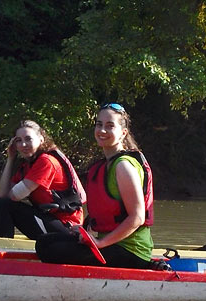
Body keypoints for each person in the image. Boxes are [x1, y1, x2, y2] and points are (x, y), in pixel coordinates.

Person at [35, 103, 155, 269]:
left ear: (123, 133)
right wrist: (83, 230)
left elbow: (137, 218)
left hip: (131, 252)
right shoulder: (104, 165)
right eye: (99, 124)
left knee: (52, 250)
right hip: (108, 245)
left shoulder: (123, 167)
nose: (102, 130)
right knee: (44, 242)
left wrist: (100, 243)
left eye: (110, 126)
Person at [0, 120, 86, 239]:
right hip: (50, 220)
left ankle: (1, 250)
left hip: (66, 228)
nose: (23, 144)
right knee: (1, 203)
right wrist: (10, 158)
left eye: (28, 139)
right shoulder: (26, 167)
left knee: (2, 205)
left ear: (41, 139)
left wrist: (5, 200)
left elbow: (14, 196)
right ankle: (0, 248)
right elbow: (3, 194)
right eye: (19, 141)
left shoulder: (46, 161)